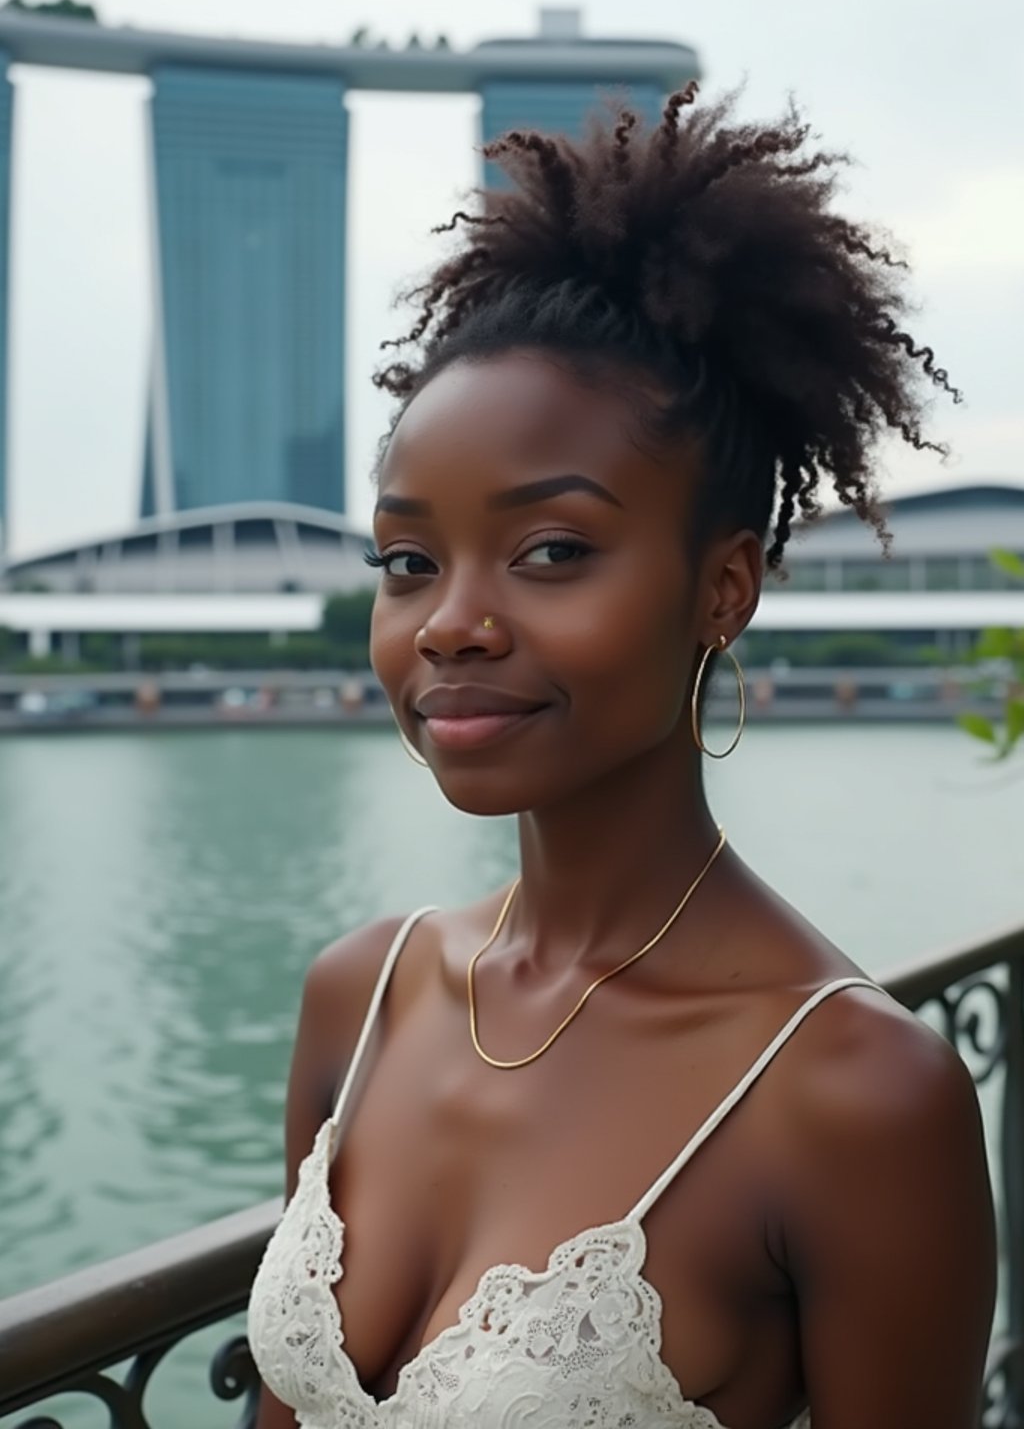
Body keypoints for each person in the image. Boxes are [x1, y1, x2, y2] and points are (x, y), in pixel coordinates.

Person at [248, 86, 996, 1428]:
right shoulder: (358, 1001)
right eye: (409, 562)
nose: (454, 626)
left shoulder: (856, 1098)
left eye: (552, 553)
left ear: (723, 589)